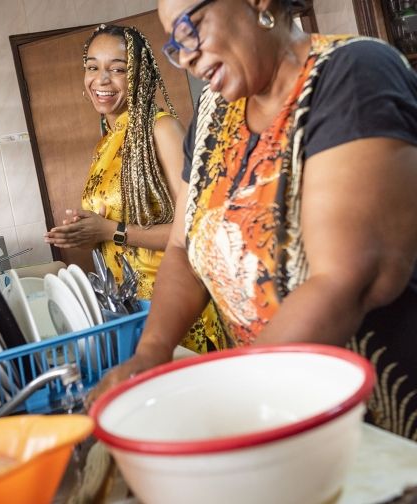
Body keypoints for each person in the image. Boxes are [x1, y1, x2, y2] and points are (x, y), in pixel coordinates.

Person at [89, 0, 417, 440]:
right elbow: (184, 250)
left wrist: (233, 397)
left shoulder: (353, 73)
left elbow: (345, 278)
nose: (185, 56)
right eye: (175, 43)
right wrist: (150, 354)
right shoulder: (211, 112)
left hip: (378, 414)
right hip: (277, 403)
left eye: (192, 27)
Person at [45, 24, 227, 353]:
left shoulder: (162, 129)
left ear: (138, 75)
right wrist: (85, 229)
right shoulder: (106, 144)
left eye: (117, 69)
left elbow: (193, 231)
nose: (102, 79)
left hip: (177, 308)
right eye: (93, 67)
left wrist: (110, 230)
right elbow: (119, 223)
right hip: (133, 311)